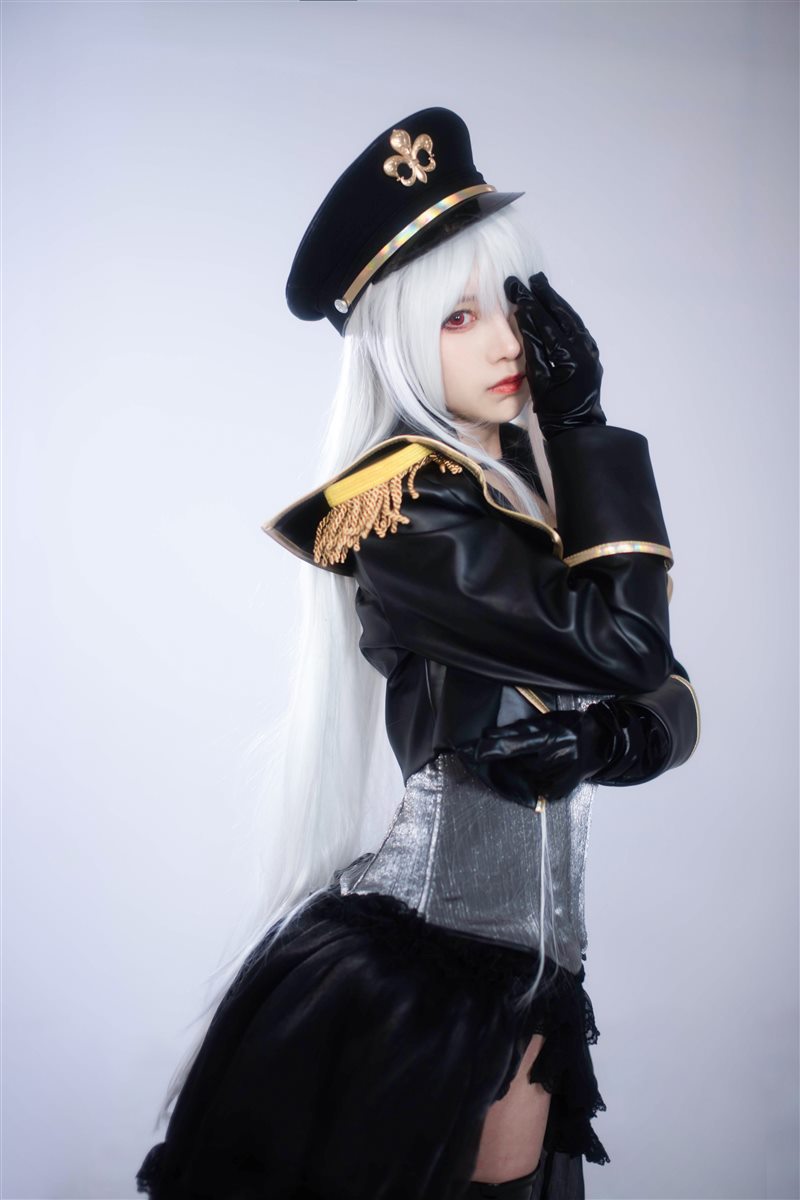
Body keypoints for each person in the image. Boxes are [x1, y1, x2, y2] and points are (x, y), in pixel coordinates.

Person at [135, 106, 701, 1200]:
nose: (506, 345)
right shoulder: (407, 517)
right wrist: (585, 427)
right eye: (457, 318)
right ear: (397, 337)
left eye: (510, 307)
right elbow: (632, 647)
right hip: (436, 975)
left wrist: (614, 739)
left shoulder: (526, 499)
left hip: (529, 969)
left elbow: (669, 691)